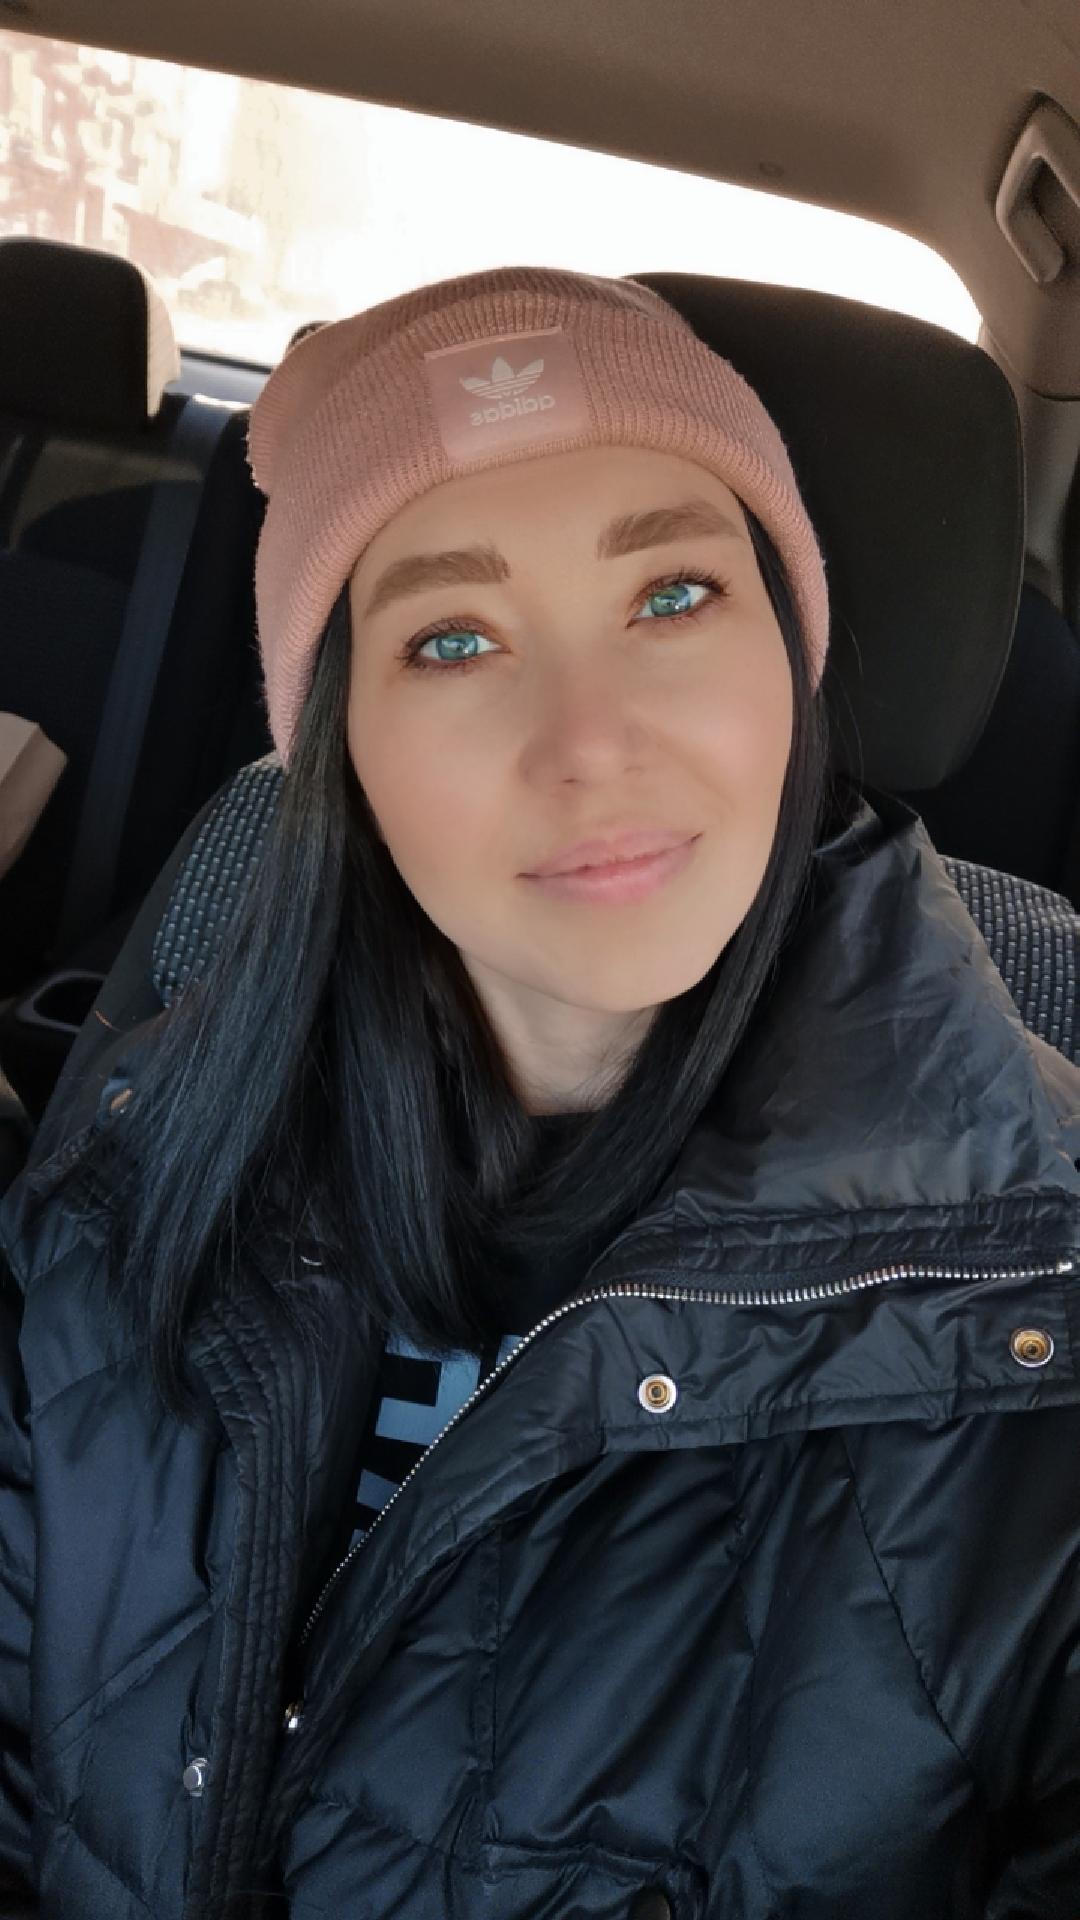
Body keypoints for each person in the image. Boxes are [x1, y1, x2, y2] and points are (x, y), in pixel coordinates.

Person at [0, 264, 1078, 1920]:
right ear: (341, 748)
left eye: (674, 597)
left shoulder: (1039, 1315)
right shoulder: (136, 1165)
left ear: (793, 658)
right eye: (452, 638)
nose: (592, 743)